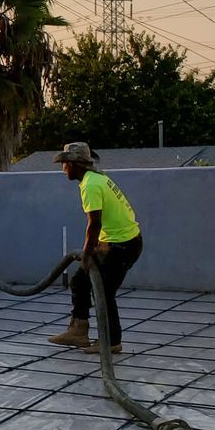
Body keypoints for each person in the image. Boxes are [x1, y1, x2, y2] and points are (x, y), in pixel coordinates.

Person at [47, 142, 144, 355]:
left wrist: (87, 254)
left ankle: (111, 342)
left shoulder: (91, 185)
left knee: (104, 292)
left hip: (121, 246)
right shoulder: (97, 179)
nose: (63, 168)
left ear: (76, 164)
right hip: (121, 242)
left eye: (65, 163)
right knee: (81, 281)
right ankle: (78, 330)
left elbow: (94, 224)